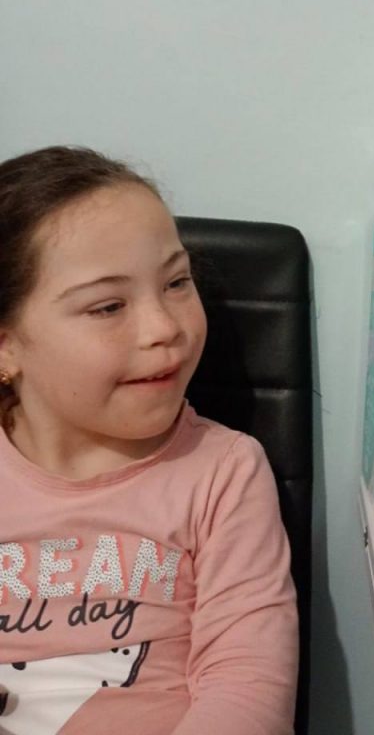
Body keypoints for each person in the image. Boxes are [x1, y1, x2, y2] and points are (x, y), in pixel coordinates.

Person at [0, 146, 297, 734]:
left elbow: (248, 685)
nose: (164, 328)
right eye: (108, 306)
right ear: (7, 346)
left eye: (177, 282)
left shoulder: (222, 472)